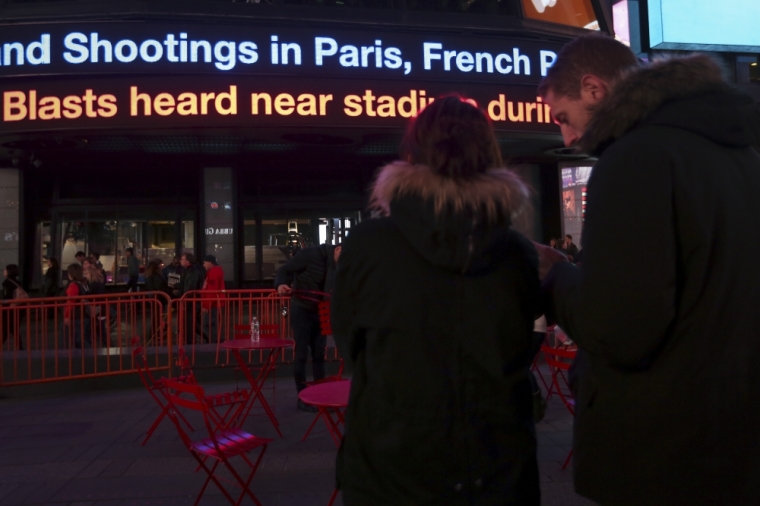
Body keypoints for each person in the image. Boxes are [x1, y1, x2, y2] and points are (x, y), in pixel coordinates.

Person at [539, 33, 760, 506]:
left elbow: (620, 327)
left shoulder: (635, 159)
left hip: (663, 449)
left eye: (564, 117)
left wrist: (556, 274)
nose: (568, 136)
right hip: (734, 437)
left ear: (595, 89)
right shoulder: (738, 153)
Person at [331, 95, 541, 505]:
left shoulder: (368, 245)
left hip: (391, 466)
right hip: (497, 469)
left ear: (411, 154)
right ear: (489, 155)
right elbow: (522, 344)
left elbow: (350, 345)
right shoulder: (518, 252)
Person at [275, 243, 341, 411]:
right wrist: (281, 284)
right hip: (302, 309)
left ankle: (320, 395)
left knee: (319, 354)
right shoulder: (309, 255)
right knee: (302, 354)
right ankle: (302, 397)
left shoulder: (336, 264)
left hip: (320, 309)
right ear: (338, 249)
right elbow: (284, 270)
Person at [178, 253, 205, 344]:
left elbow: (190, 286)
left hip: (190, 300)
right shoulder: (191, 270)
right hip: (190, 300)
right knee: (191, 322)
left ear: (188, 261)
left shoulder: (193, 271)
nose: (180, 261)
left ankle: (191, 340)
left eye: (182, 259)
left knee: (190, 322)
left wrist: (185, 298)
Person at [64, 263, 91, 349]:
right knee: (83, 338)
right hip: (84, 314)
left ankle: (87, 356)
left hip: (77, 316)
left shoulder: (73, 286)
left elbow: (70, 302)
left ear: (71, 274)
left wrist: (67, 316)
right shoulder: (83, 283)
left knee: (79, 339)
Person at [201, 255, 225, 343]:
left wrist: (206, 306)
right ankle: (215, 341)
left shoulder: (213, 273)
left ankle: (214, 342)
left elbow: (211, 291)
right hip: (215, 303)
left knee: (207, 325)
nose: (203, 265)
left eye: (204, 262)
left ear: (210, 263)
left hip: (213, 304)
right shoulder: (215, 272)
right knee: (212, 324)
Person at [2, 264, 25, 349]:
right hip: (18, 309)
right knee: (13, 330)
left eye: (5, 270)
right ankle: (20, 348)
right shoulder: (18, 282)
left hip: (9, 310)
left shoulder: (7, 283)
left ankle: (20, 349)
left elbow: (7, 297)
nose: (3, 271)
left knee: (6, 330)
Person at [83, 264, 106, 346]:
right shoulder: (97, 283)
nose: (85, 276)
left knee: (98, 331)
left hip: (97, 309)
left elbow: (92, 296)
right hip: (99, 309)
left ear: (91, 274)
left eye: (86, 274)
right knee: (100, 331)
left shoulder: (94, 284)